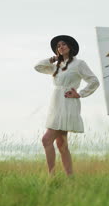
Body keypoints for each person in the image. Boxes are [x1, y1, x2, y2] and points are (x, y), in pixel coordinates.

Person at [34, 35, 99, 177]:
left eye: (63, 44)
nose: (60, 47)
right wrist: (51, 60)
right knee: (62, 145)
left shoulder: (79, 64)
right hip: (55, 104)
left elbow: (94, 81)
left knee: (46, 140)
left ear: (70, 47)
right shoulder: (56, 66)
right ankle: (70, 178)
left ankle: (51, 176)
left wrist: (80, 93)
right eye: (58, 46)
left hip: (68, 104)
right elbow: (38, 67)